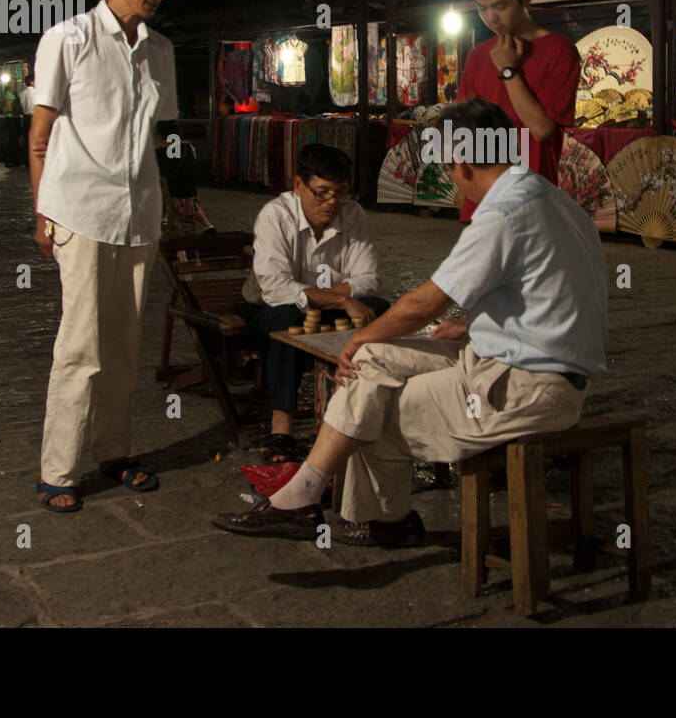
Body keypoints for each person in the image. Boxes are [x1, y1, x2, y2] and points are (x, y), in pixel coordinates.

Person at [211, 97, 607, 546]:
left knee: (371, 404)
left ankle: (354, 510)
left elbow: (423, 305)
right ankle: (326, 502)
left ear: (460, 160)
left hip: (522, 388)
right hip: (529, 369)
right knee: (374, 362)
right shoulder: (550, 197)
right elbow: (549, 295)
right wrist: (478, 326)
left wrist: (358, 338)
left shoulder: (501, 214)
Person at [29, 0, 178, 512]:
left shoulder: (160, 50)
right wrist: (40, 212)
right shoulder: (68, 39)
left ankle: (113, 451)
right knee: (81, 345)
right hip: (80, 211)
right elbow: (40, 138)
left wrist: (177, 201)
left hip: (139, 214)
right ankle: (58, 470)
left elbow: (159, 139)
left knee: (123, 345)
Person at [238, 143, 389, 466]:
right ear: (298, 186)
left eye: (341, 192)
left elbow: (370, 278)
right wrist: (343, 298)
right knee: (287, 321)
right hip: (267, 308)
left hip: (324, 308)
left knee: (381, 309)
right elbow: (277, 289)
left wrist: (339, 299)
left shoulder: (353, 214)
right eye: (322, 192)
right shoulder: (275, 216)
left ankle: (362, 411)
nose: (332, 202)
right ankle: (282, 428)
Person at [455, 0, 581, 222]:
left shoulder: (560, 51)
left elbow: (542, 128)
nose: (491, 17)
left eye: (500, 6)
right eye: (481, 8)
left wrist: (508, 70)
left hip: (531, 200)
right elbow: (461, 129)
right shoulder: (478, 55)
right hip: (481, 204)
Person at [155, 120, 215, 236]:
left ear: (161, 137)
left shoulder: (160, 155)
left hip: (175, 205)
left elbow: (166, 188)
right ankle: (208, 226)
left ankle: (207, 226)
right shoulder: (190, 148)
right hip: (191, 203)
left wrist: (171, 217)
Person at [2, 77, 23, 167]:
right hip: (11, 118)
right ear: (10, 84)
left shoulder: (15, 94)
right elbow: (8, 108)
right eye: (13, 83)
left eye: (15, 83)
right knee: (12, 140)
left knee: (16, 140)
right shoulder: (8, 94)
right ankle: (10, 160)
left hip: (15, 118)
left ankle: (15, 159)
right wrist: (16, 110)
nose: (15, 85)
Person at [20, 74, 37, 154]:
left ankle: (27, 159)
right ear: (31, 82)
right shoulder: (37, 92)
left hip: (26, 117)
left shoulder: (23, 93)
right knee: (35, 137)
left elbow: (23, 105)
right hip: (35, 116)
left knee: (27, 138)